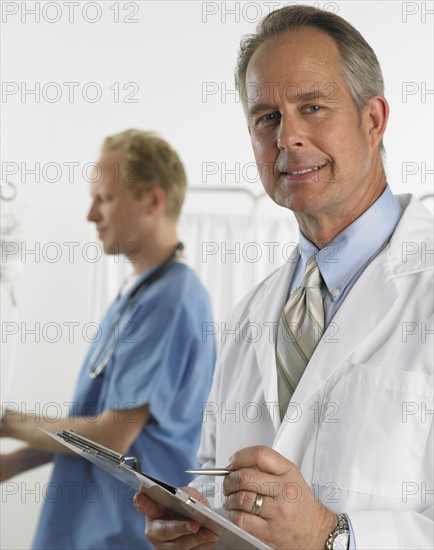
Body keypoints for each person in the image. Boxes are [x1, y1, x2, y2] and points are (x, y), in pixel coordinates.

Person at [134, 6, 433, 550]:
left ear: (373, 120)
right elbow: (217, 471)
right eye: (266, 117)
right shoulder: (253, 311)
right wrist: (199, 526)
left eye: (312, 107)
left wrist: (331, 536)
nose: (287, 138)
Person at [0, 129, 217, 549]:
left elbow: (113, 436)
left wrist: (8, 422)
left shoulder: (173, 300)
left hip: (122, 535)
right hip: (88, 531)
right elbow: (90, 436)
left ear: (153, 201)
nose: (90, 215)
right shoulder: (136, 297)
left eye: (105, 198)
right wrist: (15, 462)